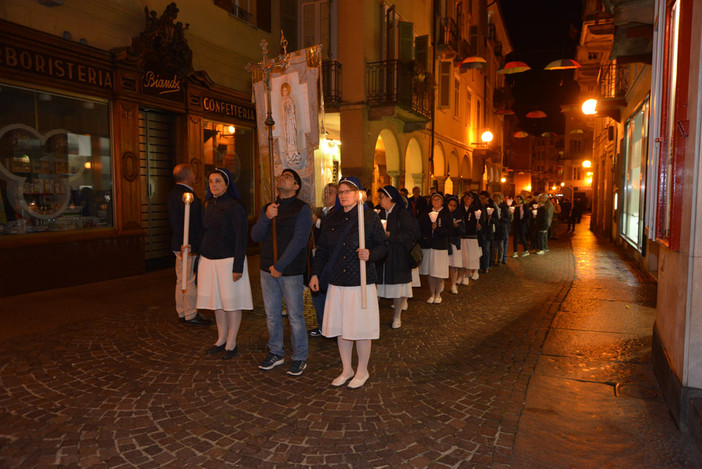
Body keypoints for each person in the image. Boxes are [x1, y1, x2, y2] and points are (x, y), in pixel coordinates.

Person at [309, 176, 388, 389]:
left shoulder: (369, 217)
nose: (343, 196)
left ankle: (363, 370)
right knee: (342, 328)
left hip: (360, 282)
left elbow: (383, 246)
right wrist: (315, 274)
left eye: (347, 191)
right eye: (340, 192)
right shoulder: (331, 219)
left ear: (357, 193)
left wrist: (370, 254)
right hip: (338, 281)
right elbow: (323, 250)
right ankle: (347, 369)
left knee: (360, 329)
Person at [251, 168, 313, 376]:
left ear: (296, 186)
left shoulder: (302, 209)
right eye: (280, 176)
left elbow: (299, 241)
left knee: (295, 315)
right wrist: (267, 217)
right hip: (266, 268)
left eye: (288, 177)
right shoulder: (269, 208)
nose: (282, 178)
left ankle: (300, 356)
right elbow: (256, 235)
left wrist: (280, 266)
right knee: (272, 315)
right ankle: (276, 352)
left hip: (290, 270)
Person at [196, 168, 252, 359]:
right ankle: (221, 339)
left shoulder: (235, 206)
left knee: (231, 303)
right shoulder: (207, 204)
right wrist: (196, 250)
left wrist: (238, 267)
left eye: (218, 181)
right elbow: (204, 231)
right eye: (211, 181)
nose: (213, 185)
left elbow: (241, 237)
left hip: (228, 261)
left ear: (227, 184)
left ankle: (232, 341)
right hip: (209, 260)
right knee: (216, 302)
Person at [167, 163, 210, 326]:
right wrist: (195, 244)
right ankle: (191, 313)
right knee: (189, 279)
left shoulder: (172, 194)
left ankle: (182, 310)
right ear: (187, 176)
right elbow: (195, 224)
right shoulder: (188, 197)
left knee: (181, 279)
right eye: (192, 173)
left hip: (178, 242)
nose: (194, 176)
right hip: (187, 244)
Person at [376, 185, 420, 329]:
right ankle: (374, 317)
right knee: (377, 287)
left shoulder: (402, 213)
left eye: (381, 197)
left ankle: (397, 316)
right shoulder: (380, 213)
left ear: (390, 198)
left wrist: (390, 235)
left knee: (398, 288)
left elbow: (410, 235)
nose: (379, 200)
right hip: (383, 256)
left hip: (399, 255)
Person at [309, 182, 338, 337]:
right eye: (325, 192)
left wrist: (317, 222)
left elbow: (330, 231)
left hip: (330, 262)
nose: (327, 195)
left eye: (331, 192)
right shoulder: (323, 212)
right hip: (319, 257)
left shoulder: (337, 213)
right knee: (318, 294)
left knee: (326, 295)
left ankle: (330, 327)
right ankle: (322, 325)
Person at [419, 192, 453, 304]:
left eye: (438, 200)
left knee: (438, 272)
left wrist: (437, 228)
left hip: (440, 246)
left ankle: (438, 294)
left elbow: (450, 231)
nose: (436, 202)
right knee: (430, 272)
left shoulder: (446, 215)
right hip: (429, 246)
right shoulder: (426, 214)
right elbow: (422, 228)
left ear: (442, 202)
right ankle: (432, 294)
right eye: (434, 200)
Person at [457, 191, 481, 285]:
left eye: (469, 198)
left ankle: (467, 275)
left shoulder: (475, 210)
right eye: (465, 198)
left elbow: (480, 223)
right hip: (462, 237)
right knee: (462, 257)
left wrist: (479, 226)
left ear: (472, 200)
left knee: (469, 258)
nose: (467, 200)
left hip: (471, 237)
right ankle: (460, 275)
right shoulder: (460, 209)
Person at [445, 195, 465, 294]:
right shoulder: (443, 214)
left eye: (454, 205)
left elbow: (462, 231)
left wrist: (456, 226)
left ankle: (453, 285)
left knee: (454, 266)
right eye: (450, 205)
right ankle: (441, 285)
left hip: (454, 243)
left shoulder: (459, 216)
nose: (452, 207)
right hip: (445, 243)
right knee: (444, 265)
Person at [478, 191, 496, 273]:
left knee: (486, 249)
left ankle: (486, 266)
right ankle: (480, 265)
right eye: (480, 198)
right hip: (480, 231)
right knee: (480, 250)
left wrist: (490, 218)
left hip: (487, 231)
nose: (481, 200)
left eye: (483, 198)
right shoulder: (478, 206)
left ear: (487, 198)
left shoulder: (492, 206)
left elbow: (497, 220)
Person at [491, 192, 511, 265]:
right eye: (495, 199)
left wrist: (501, 218)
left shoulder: (503, 207)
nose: (497, 201)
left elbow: (507, 218)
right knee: (494, 246)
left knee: (501, 245)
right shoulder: (492, 207)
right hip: (495, 228)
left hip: (502, 229)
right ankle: (493, 259)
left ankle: (500, 259)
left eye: (498, 199)